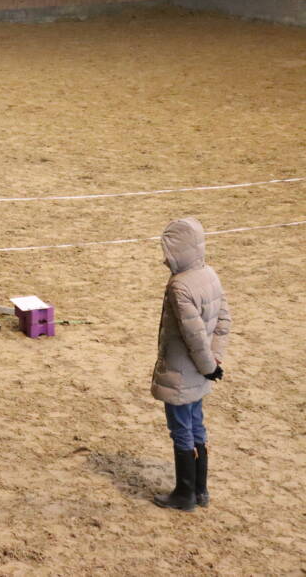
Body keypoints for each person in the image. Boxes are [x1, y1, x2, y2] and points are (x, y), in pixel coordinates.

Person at [151, 217, 230, 511]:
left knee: (181, 429)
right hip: (202, 372)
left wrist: (208, 365)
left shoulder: (179, 286)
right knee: (197, 426)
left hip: (182, 372)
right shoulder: (210, 274)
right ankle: (200, 490)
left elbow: (193, 336)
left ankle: (185, 494)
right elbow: (223, 321)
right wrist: (215, 361)